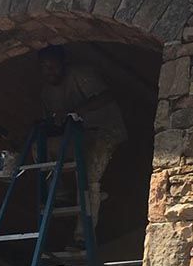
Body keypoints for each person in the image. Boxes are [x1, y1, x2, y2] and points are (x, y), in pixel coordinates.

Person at [38, 45, 127, 250]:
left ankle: (83, 236)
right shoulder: (46, 93)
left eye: (53, 67)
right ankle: (59, 195)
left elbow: (105, 96)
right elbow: (52, 122)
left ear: (63, 64)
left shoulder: (81, 75)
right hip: (78, 136)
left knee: (88, 178)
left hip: (104, 131)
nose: (50, 72)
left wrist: (73, 111)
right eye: (44, 68)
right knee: (40, 148)